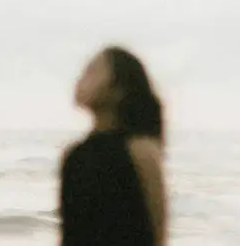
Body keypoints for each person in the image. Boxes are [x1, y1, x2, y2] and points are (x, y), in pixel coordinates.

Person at [58, 46, 168, 246]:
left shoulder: (140, 151)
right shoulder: (73, 155)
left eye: (92, 71)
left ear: (118, 88)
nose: (82, 78)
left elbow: (158, 237)